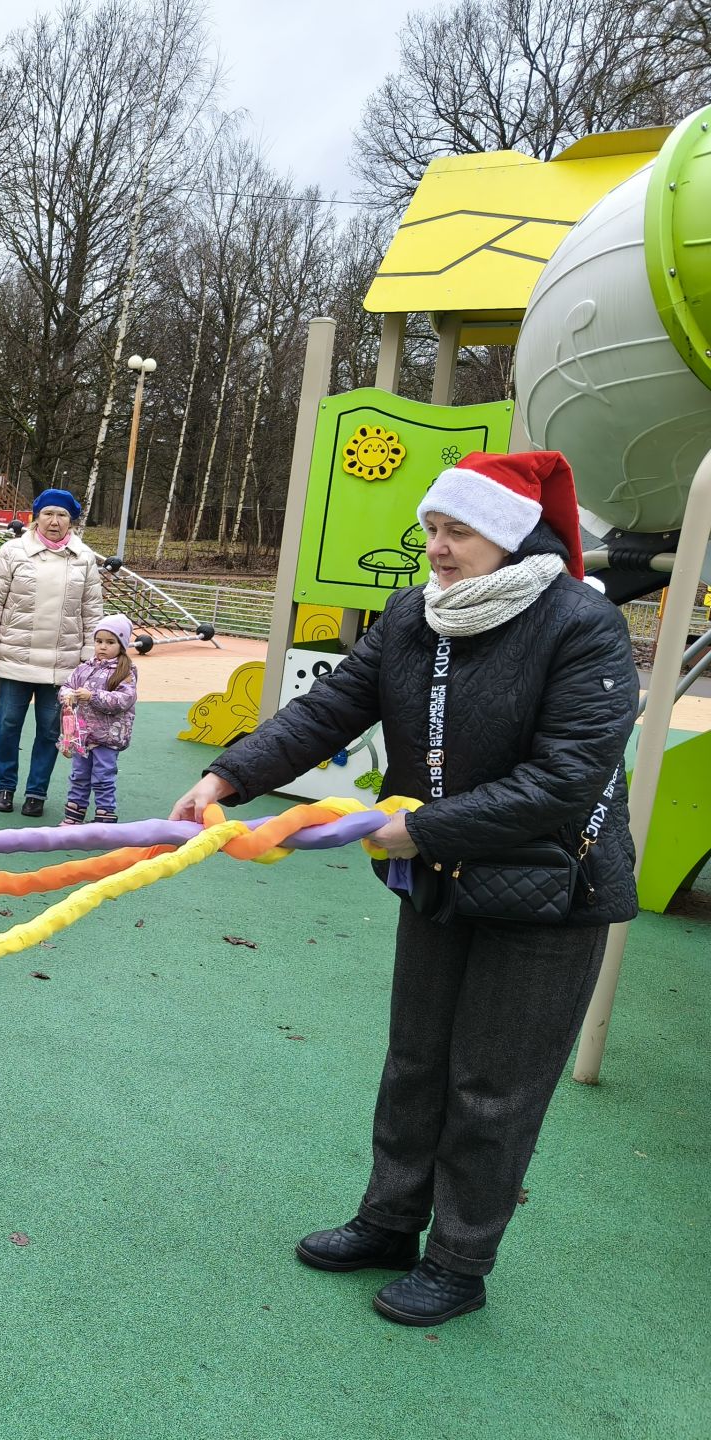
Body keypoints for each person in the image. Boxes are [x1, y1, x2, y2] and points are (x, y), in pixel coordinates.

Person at [170, 451, 637, 1327]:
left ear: (509, 534)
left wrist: (417, 827)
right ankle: (388, 1222)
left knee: (493, 1086)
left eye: (456, 531)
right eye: (431, 528)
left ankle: (459, 1262)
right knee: (416, 1063)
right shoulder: (415, 614)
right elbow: (331, 708)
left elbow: (567, 778)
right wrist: (230, 776)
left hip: (549, 891)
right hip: (442, 877)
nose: (437, 548)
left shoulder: (580, 624)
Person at [0, 488, 105, 816]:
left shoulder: (84, 557)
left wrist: (92, 655)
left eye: (61, 515)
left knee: (50, 729)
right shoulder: (13, 551)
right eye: (48, 514)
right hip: (15, 658)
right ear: (36, 517)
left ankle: (37, 793)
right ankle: (5, 785)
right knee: (7, 724)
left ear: (71, 520)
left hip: (63, 663)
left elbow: (92, 608)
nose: (54, 521)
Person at [58, 613, 138, 824]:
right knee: (79, 775)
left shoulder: (125, 672)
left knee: (103, 776)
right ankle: (73, 816)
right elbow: (67, 685)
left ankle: (105, 817)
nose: (103, 646)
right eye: (99, 641)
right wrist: (66, 694)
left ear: (121, 644)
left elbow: (124, 699)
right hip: (82, 735)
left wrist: (92, 696)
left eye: (110, 642)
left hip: (107, 737)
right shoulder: (84, 668)